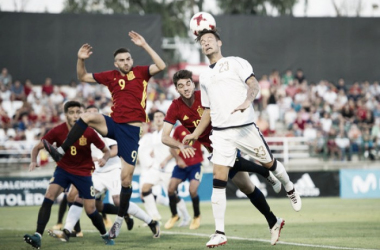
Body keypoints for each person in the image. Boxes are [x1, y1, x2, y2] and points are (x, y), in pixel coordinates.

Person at [42, 31, 166, 239]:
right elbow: (82, 76)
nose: (125, 62)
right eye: (121, 60)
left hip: (131, 132)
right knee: (88, 117)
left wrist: (144, 44)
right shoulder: (111, 76)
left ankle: (118, 222)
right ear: (116, 63)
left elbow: (161, 66)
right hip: (114, 124)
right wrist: (80, 59)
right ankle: (61, 151)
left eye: (128, 59)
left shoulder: (142, 72)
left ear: (132, 60)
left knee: (126, 181)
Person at [183, 30, 301, 247]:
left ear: (220, 42)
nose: (206, 43)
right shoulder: (205, 76)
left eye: (210, 39)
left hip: (245, 128)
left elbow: (254, 84)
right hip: (221, 134)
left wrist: (248, 100)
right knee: (219, 180)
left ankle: (289, 186)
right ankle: (219, 232)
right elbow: (207, 110)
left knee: (271, 164)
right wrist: (195, 134)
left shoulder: (236, 62)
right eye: (202, 41)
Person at [162, 69, 286, 247]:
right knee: (246, 187)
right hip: (212, 147)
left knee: (219, 180)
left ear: (193, 83)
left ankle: (220, 231)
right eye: (181, 86)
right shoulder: (175, 107)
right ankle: (273, 220)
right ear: (176, 88)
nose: (186, 88)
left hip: (226, 139)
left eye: (188, 83)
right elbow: (164, 137)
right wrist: (180, 145)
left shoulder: (204, 96)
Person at [23, 101, 114, 249]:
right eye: (71, 112)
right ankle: (38, 236)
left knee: (90, 210)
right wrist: (33, 160)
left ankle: (105, 235)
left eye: (78, 112)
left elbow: (107, 151)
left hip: (84, 173)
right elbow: (38, 146)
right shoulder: (58, 130)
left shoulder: (89, 131)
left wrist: (104, 159)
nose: (75, 115)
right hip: (63, 170)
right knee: (49, 195)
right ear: (66, 114)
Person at [140, 111, 189, 223]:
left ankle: (186, 216)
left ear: (164, 118)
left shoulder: (170, 133)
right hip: (156, 168)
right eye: (156, 117)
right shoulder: (154, 135)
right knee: (145, 188)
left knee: (172, 194)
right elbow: (157, 147)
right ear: (153, 120)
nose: (158, 118)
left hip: (169, 168)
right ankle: (155, 217)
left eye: (160, 116)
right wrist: (153, 152)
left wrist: (165, 160)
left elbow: (175, 149)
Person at [164, 124, 203, 230]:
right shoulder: (178, 129)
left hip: (195, 165)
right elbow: (171, 147)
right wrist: (178, 159)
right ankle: (174, 215)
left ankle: (196, 216)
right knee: (170, 189)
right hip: (181, 165)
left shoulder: (199, 127)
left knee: (193, 191)